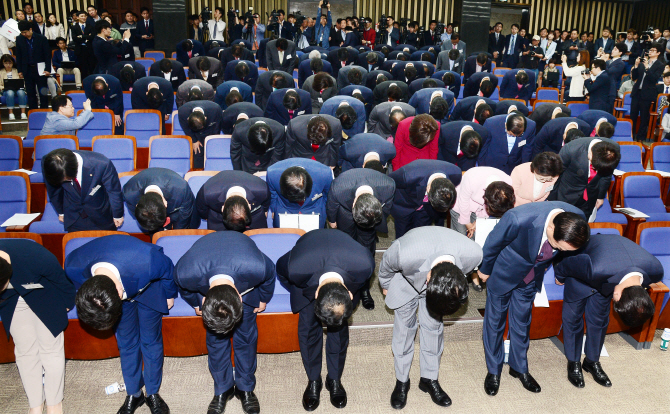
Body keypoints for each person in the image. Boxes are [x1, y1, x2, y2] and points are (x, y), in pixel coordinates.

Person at [479, 202, 589, 396]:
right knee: (495, 322)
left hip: (531, 277)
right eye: (557, 247)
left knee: (522, 321)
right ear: (550, 227)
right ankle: (493, 371)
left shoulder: (577, 216)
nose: (559, 251)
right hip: (504, 271)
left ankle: (519, 368)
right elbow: (492, 243)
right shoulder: (517, 218)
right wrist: (485, 270)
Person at [64, 235, 175, 414]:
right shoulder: (73, 267)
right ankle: (134, 393)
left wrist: (170, 295)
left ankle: (152, 392)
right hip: (111, 289)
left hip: (148, 286)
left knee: (150, 340)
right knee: (126, 342)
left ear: (118, 290)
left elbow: (168, 268)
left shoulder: (148, 262)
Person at [379, 227, 482, 409]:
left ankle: (429, 379)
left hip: (442, 287)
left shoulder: (474, 254)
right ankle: (402, 381)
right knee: (404, 331)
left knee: (434, 330)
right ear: (428, 277)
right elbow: (386, 265)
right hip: (406, 282)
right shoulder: (405, 252)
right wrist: (386, 286)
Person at [174, 231, 275, 414]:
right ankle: (223, 388)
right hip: (207, 270)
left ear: (239, 296)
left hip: (241, 264)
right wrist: (196, 303)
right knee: (215, 342)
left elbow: (270, 273)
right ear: (206, 300)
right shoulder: (185, 273)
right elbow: (183, 288)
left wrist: (263, 299)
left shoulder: (256, 267)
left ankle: (245, 387)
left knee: (245, 339)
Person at [276, 229, 375, 411]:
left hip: (343, 262)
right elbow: (279, 270)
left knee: (339, 330)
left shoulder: (364, 264)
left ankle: (334, 379)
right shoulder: (295, 268)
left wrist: (342, 299)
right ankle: (314, 379)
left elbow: (359, 283)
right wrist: (299, 290)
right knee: (307, 330)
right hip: (308, 273)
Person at [554, 234, 663, 388]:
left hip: (611, 277)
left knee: (599, 320)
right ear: (616, 295)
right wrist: (560, 276)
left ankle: (591, 362)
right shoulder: (593, 266)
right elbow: (569, 264)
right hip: (581, 276)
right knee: (572, 320)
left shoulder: (656, 271)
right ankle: (574, 363)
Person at [0, 240, 75, 414]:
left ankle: (54, 403)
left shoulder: (35, 256)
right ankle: (35, 402)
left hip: (45, 294)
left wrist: (65, 305)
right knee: (25, 351)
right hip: (11, 301)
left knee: (50, 349)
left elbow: (62, 282)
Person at [326, 168, 395, 308]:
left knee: (366, 250)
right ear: (354, 202)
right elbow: (331, 205)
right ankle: (345, 281)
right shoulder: (339, 187)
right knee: (345, 246)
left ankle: (364, 290)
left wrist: (375, 218)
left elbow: (387, 207)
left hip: (371, 216)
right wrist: (332, 221)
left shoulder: (388, 186)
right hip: (345, 214)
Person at [42, 148, 124, 231]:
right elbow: (54, 190)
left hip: (101, 213)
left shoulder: (101, 163)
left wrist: (117, 215)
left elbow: (114, 191)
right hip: (73, 215)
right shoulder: (49, 163)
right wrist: (61, 212)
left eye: (67, 179)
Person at [550, 137, 620, 220]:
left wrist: (600, 197)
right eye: (594, 166)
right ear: (590, 153)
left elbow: (607, 175)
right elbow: (556, 174)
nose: (595, 169)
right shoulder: (571, 149)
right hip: (568, 194)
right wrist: (552, 200)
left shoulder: (612, 151)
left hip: (590, 196)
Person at [389, 159, 461, 238]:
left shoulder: (456, 175)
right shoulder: (408, 175)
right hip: (405, 205)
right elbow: (389, 181)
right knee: (402, 236)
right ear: (428, 188)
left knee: (421, 235)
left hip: (425, 208)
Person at [122, 167, 200, 233]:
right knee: (153, 232)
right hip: (154, 216)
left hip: (180, 208)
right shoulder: (129, 193)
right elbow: (137, 215)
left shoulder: (181, 189)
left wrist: (177, 234)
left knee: (188, 228)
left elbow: (185, 214)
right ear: (137, 205)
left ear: (165, 203)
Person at [267, 158, 333, 229]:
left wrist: (326, 211)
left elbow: (328, 195)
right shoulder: (272, 174)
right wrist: (273, 209)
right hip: (285, 207)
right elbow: (272, 193)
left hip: (314, 208)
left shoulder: (324, 174)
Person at [195, 170, 270, 231]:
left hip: (254, 216)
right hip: (218, 217)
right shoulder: (207, 194)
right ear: (223, 208)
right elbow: (202, 210)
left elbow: (266, 202)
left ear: (249, 207)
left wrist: (265, 211)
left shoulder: (262, 190)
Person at [630, 43, 665, 141]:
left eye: (653, 50)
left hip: (647, 94)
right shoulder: (643, 62)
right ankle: (631, 135)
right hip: (637, 92)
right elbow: (635, 77)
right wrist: (636, 66)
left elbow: (653, 79)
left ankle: (641, 137)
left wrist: (647, 68)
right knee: (633, 116)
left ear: (658, 53)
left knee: (644, 117)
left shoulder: (660, 65)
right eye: (650, 50)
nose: (650, 52)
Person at [15, 20, 51, 109]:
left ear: (30, 29)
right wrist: (19, 70)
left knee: (43, 91)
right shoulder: (19, 39)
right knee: (30, 92)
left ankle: (44, 110)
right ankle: (33, 111)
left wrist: (48, 69)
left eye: (25, 32)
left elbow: (47, 55)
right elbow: (18, 56)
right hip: (27, 69)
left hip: (40, 69)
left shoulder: (41, 38)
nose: (23, 34)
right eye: (22, 32)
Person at [178, 100, 223, 169]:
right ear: (188, 118)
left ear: (205, 118)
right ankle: (198, 172)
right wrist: (194, 140)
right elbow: (186, 128)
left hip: (210, 130)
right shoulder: (182, 112)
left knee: (213, 152)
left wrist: (213, 140)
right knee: (197, 151)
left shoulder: (216, 109)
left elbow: (217, 126)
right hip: (194, 133)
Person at [0, 55, 28, 120]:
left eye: (10, 63)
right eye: (6, 63)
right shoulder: (1, 72)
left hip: (17, 89)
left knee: (21, 92)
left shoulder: (17, 71)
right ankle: (11, 113)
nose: (8, 65)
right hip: (5, 90)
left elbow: (21, 82)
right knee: (10, 93)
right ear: (3, 63)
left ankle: (23, 113)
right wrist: (4, 87)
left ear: (13, 63)